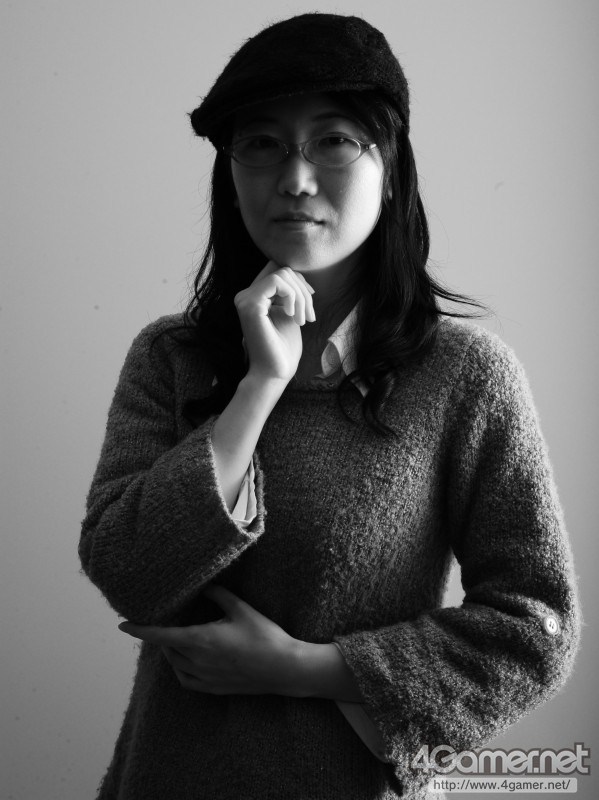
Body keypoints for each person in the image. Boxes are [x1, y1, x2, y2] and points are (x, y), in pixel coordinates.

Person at [79, 13, 581, 800]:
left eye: (334, 140)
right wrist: (259, 385)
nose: (295, 178)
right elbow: (127, 573)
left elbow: (534, 627)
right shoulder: (169, 357)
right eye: (261, 143)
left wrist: (303, 669)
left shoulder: (465, 374)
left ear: (391, 166)